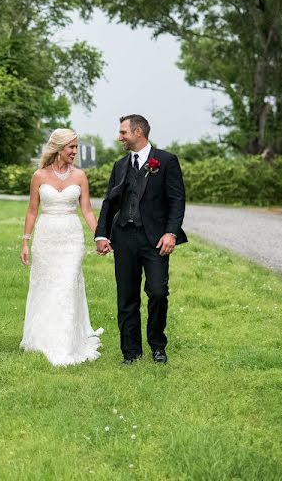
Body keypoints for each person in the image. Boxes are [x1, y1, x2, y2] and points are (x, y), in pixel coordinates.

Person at [94, 114, 187, 365]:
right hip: (124, 237)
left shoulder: (166, 161)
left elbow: (177, 201)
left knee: (157, 292)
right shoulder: (120, 166)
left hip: (155, 239)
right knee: (127, 296)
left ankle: (158, 346)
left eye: (123, 132)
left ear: (138, 132)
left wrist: (171, 233)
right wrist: (102, 234)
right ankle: (131, 352)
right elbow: (109, 203)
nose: (119, 137)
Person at [20, 129, 104, 366]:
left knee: (67, 285)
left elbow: (87, 210)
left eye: (76, 148)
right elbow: (32, 210)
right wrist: (26, 241)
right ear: (58, 148)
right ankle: (43, 339)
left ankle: (66, 343)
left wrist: (100, 236)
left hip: (71, 238)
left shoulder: (80, 176)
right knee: (47, 287)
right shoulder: (39, 175)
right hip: (46, 237)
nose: (75, 152)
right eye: (71, 148)